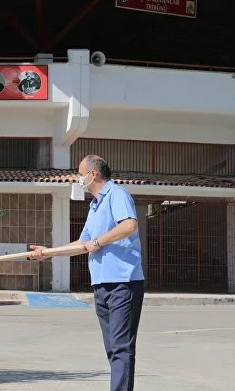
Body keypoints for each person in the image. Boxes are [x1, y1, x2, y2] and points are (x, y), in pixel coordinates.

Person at [30, 155, 145, 391]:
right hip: (101, 284)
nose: (78, 178)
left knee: (121, 347)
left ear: (92, 174)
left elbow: (129, 225)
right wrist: (48, 252)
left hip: (123, 283)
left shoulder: (117, 194)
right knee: (113, 347)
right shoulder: (95, 205)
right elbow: (82, 244)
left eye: (80, 174)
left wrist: (99, 241)